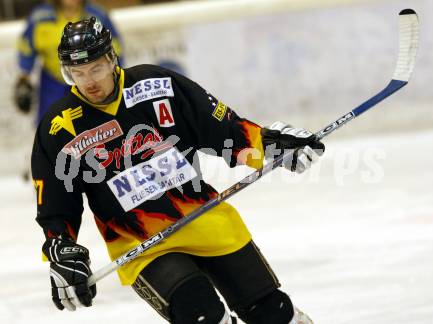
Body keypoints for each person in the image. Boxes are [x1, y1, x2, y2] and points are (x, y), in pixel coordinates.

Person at [31, 17, 325, 324]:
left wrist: (269, 145)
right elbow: (55, 202)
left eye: (96, 69)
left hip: (204, 218)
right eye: (77, 73)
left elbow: (221, 129)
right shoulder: (59, 127)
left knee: (273, 313)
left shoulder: (157, 84)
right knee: (204, 318)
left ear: (111, 59)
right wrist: (61, 247)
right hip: (141, 246)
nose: (89, 81)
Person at [15, 0, 123, 122]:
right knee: (51, 123)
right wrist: (23, 78)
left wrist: (117, 76)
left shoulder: (97, 15)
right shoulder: (39, 16)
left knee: (98, 122)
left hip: (91, 79)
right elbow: (26, 48)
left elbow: (115, 48)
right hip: (52, 84)